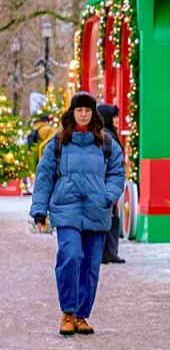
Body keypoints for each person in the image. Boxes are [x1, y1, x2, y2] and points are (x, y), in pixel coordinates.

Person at [29, 92, 125, 336]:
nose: (83, 114)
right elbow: (44, 176)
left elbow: (117, 173)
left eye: (87, 110)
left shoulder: (106, 143)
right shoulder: (58, 142)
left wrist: (107, 196)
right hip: (66, 209)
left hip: (96, 210)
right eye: (79, 110)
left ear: (93, 113)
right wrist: (39, 209)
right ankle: (68, 312)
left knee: (91, 266)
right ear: (72, 113)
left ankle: (81, 316)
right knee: (70, 256)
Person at [97, 103, 126, 264]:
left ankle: (108, 252)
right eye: (114, 116)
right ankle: (108, 252)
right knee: (110, 217)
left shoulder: (107, 134)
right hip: (106, 184)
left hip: (108, 183)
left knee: (111, 217)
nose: (117, 120)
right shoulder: (106, 136)